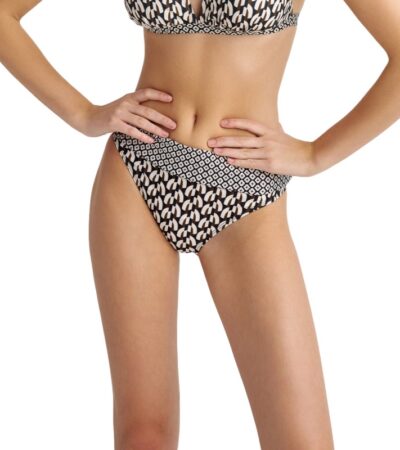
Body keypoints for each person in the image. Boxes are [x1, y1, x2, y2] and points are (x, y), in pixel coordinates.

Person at [1, 0, 399, 449]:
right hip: (137, 171)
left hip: (246, 190)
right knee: (143, 433)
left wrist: (316, 154)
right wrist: (81, 113)